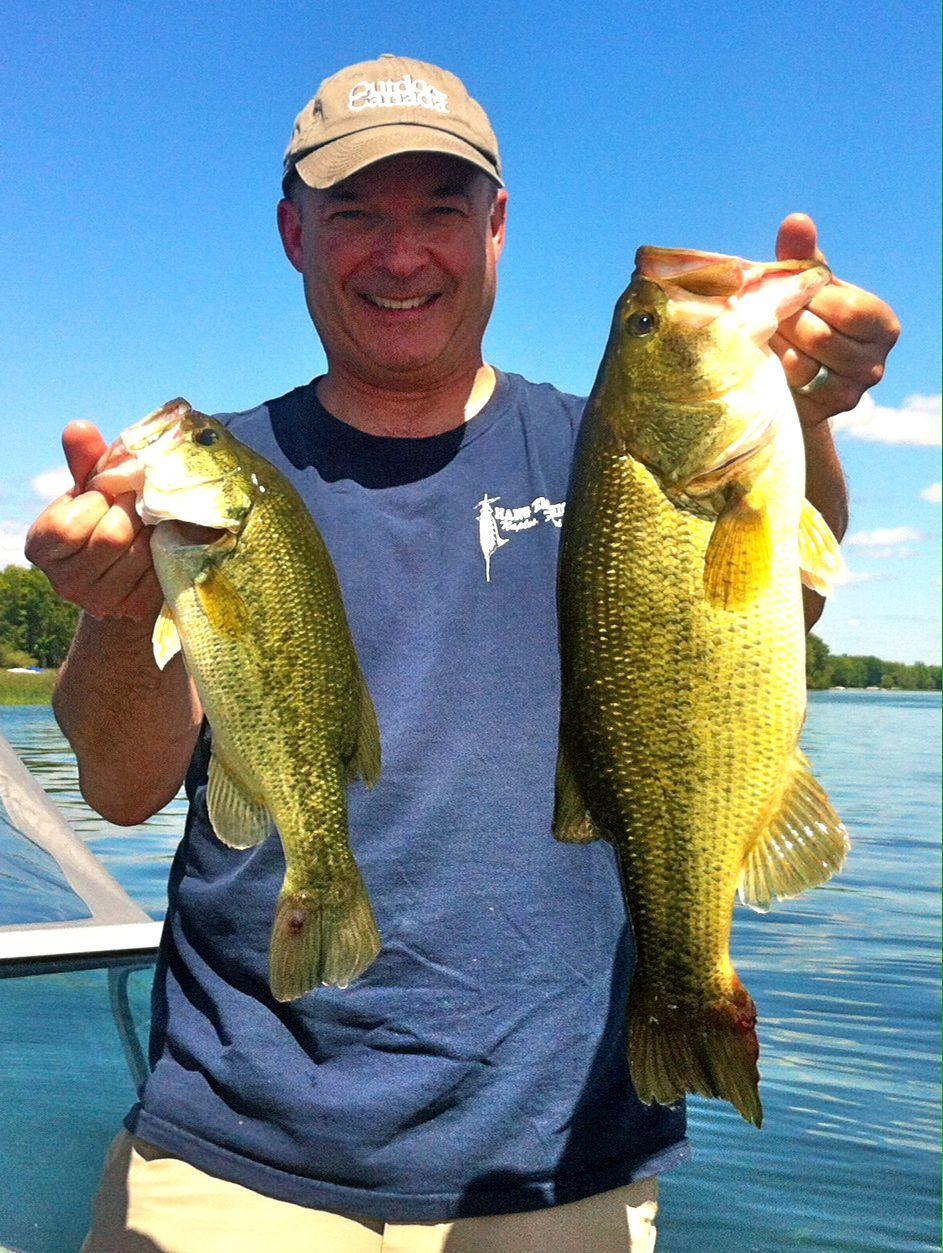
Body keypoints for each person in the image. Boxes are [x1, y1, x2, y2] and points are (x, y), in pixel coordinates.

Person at [25, 55, 899, 1253]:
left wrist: (805, 414)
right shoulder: (205, 486)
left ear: (495, 229)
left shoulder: (603, 456)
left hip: (557, 1163)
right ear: (293, 233)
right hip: (237, 1152)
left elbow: (768, 607)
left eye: (440, 211)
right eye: (355, 215)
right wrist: (123, 606)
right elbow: (122, 788)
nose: (401, 254)